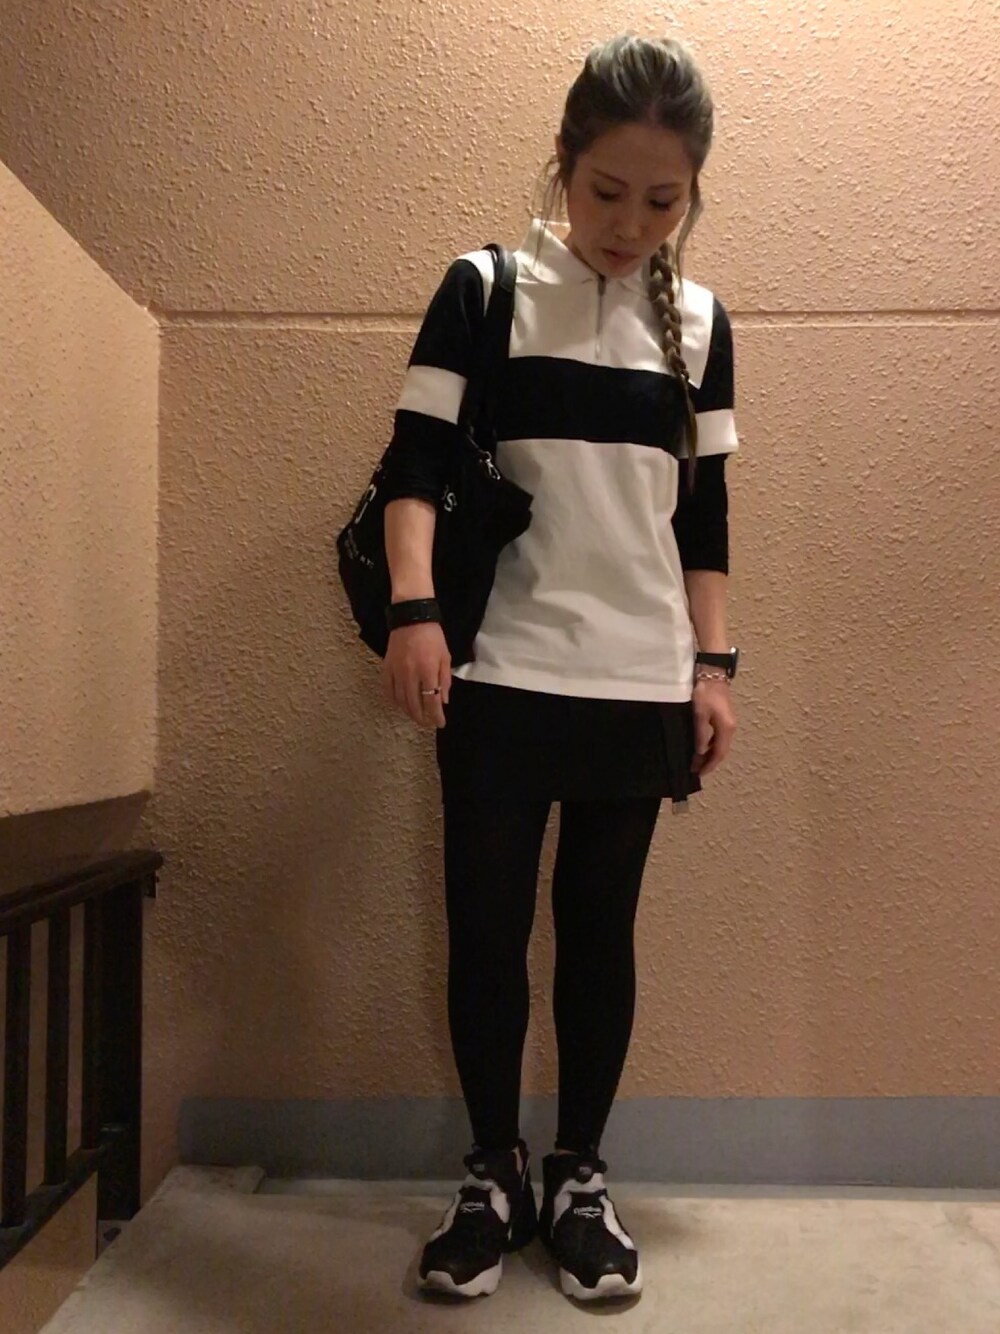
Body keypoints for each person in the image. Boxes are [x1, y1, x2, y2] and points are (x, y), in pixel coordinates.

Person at [378, 32, 739, 1303]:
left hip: (638, 679)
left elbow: (703, 517)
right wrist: (414, 611)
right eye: (606, 191)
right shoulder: (484, 288)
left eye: (662, 201)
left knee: (597, 933)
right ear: (563, 162)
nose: (629, 225)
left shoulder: (699, 323)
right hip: (496, 668)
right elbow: (414, 463)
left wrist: (712, 666)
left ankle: (580, 1175)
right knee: (485, 929)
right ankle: (492, 1175)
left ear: (691, 194)